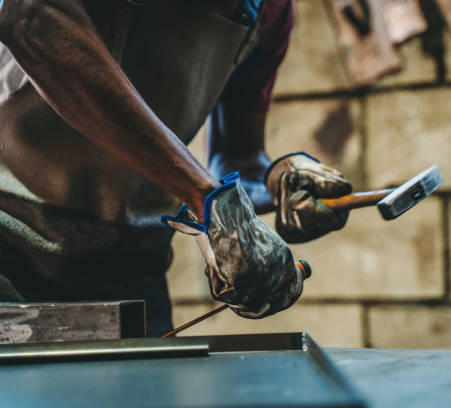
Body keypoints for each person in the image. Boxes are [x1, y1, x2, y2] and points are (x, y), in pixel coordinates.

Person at [0, 0, 351, 335]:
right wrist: (203, 195)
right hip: (12, 250)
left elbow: (236, 160)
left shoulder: (268, 10)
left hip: (135, 274)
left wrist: (276, 180)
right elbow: (34, 20)